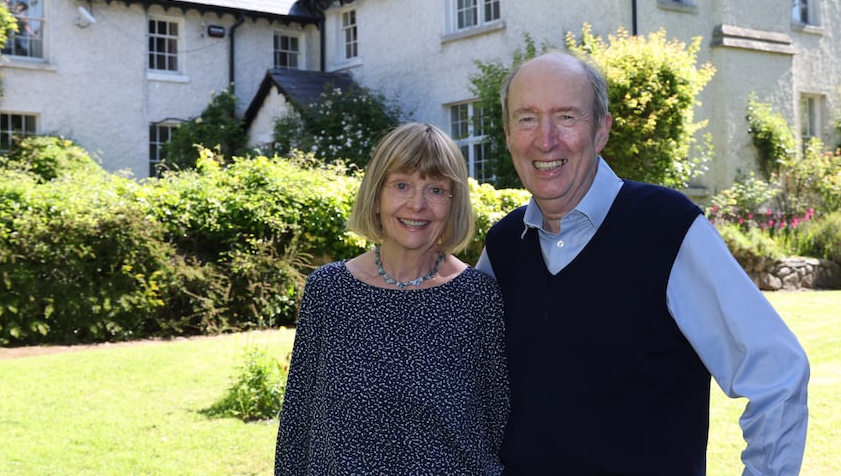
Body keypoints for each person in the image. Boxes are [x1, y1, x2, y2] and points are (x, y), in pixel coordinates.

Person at [476, 52, 810, 475]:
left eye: (566, 117)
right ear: (507, 134)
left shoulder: (668, 230)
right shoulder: (503, 248)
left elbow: (778, 375)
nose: (545, 140)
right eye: (526, 119)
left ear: (601, 130)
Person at [275, 122, 509, 475]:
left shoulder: (477, 297)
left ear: (453, 202)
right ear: (377, 194)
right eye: (401, 185)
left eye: (435, 189)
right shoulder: (328, 291)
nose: (417, 204)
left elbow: (501, 425)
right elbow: (297, 423)